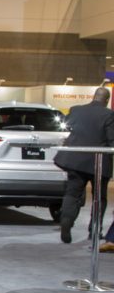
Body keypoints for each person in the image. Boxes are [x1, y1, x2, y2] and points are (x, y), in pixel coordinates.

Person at [54, 87, 114, 243]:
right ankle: (94, 231)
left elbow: (67, 127)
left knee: (72, 194)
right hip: (98, 163)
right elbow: (111, 139)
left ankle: (66, 221)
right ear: (106, 100)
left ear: (94, 96)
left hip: (75, 161)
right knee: (99, 198)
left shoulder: (76, 110)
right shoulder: (109, 114)